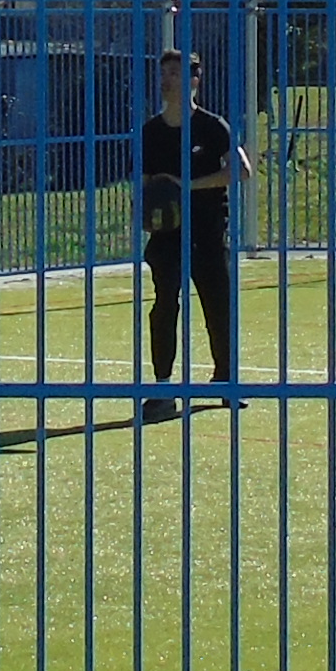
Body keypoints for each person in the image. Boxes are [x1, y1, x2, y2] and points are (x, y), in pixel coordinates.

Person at [134, 48, 240, 422]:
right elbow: (147, 184)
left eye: (176, 74)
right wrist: (152, 210)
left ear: (195, 80)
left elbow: (238, 170)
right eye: (164, 74)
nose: (167, 81)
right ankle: (163, 390)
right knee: (164, 307)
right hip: (167, 237)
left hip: (208, 231)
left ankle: (226, 381)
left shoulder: (212, 126)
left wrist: (188, 186)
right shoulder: (151, 131)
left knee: (218, 305)